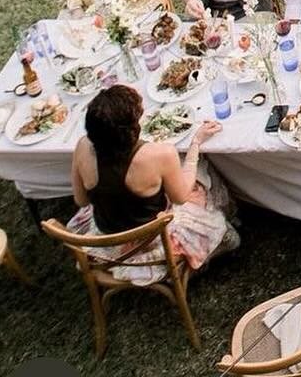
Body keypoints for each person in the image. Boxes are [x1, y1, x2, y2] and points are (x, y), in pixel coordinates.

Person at [67, 84, 237, 280]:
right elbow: (180, 197)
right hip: (154, 240)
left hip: (108, 239)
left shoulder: (82, 146)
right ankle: (221, 242)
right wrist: (195, 145)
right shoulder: (159, 154)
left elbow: (81, 201)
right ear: (131, 128)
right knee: (201, 173)